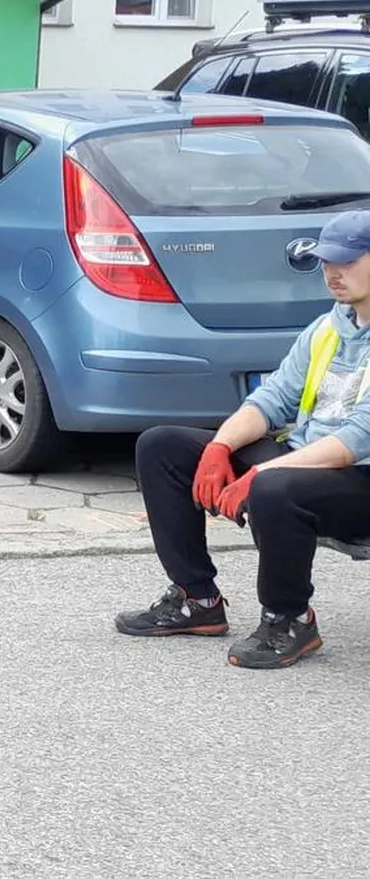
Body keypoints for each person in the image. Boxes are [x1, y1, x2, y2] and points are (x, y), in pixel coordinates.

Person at [116, 210, 370, 669]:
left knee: (273, 487)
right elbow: (273, 398)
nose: (332, 272)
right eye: (326, 261)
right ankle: (197, 601)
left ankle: (288, 620)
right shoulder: (329, 327)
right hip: (311, 462)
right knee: (162, 446)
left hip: (359, 477)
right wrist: (219, 449)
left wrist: (260, 473)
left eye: (347, 261)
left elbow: (357, 440)